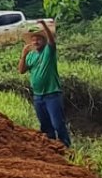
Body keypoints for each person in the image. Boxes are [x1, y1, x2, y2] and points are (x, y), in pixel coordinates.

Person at [18, 19, 71, 147]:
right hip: (38, 96)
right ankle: (52, 148)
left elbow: (52, 40)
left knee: (58, 123)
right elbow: (21, 70)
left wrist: (44, 26)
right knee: (45, 126)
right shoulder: (31, 55)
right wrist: (23, 55)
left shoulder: (48, 51)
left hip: (52, 94)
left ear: (44, 40)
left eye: (39, 39)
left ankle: (66, 147)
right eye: (33, 39)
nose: (36, 41)